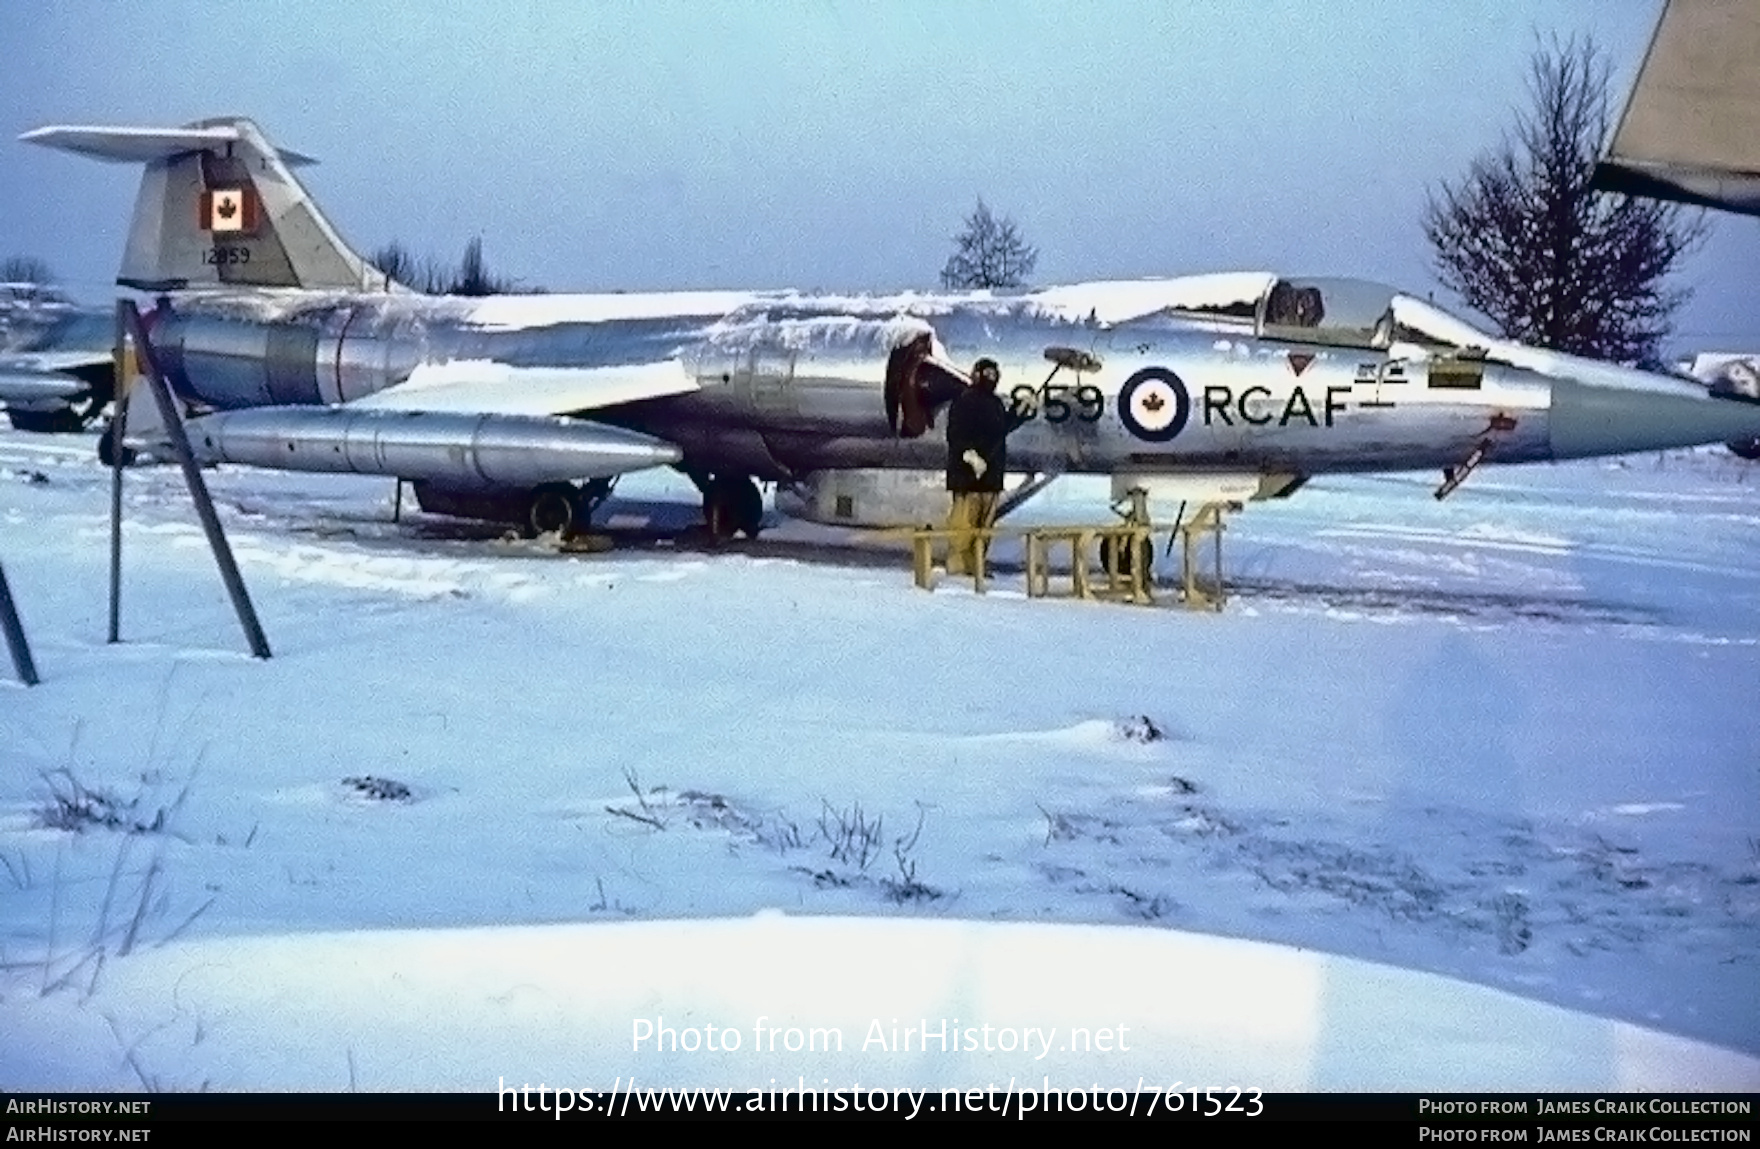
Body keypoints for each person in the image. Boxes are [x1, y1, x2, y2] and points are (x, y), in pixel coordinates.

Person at [943, 357, 1033, 577]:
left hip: (991, 478)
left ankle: (977, 567)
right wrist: (969, 455)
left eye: (994, 374)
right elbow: (955, 433)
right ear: (976, 375)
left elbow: (1002, 429)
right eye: (987, 374)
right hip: (968, 479)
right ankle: (958, 569)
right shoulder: (964, 400)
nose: (991, 379)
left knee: (984, 529)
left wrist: (1020, 412)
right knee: (963, 527)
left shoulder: (995, 403)